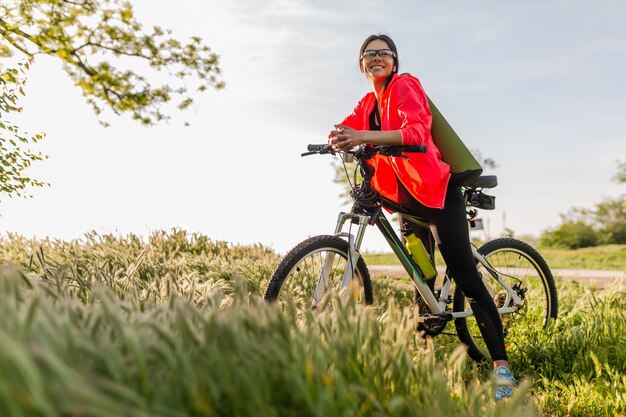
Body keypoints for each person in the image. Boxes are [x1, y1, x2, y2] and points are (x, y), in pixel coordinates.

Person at [328, 34, 516, 400]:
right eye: (369, 54)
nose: (376, 57)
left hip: (435, 193)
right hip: (403, 199)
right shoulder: (368, 101)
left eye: (384, 52)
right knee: (421, 277)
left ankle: (501, 368)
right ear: (361, 65)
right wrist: (336, 137)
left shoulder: (405, 85)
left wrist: (363, 136)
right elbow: (348, 125)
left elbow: (415, 130)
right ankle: (423, 355)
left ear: (394, 61)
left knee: (464, 275)